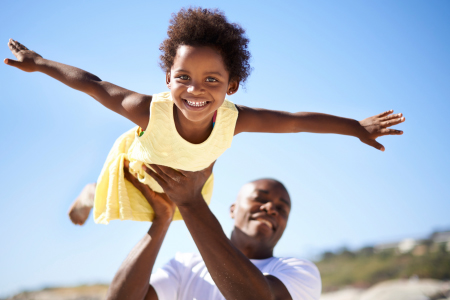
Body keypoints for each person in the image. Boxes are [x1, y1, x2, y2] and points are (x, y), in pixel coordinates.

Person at [4, 7, 405, 226]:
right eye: (184, 77)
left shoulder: (234, 118)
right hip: (136, 171)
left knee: (168, 213)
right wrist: (40, 63)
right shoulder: (148, 109)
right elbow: (93, 83)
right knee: (133, 203)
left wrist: (354, 127)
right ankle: (94, 192)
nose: (196, 89)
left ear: (231, 85)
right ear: (167, 77)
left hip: (188, 181)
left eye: (211, 79)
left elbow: (294, 120)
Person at [105, 160, 321, 300]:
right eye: (260, 199)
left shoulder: (298, 271)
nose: (271, 208)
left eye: (282, 208)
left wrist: (191, 202)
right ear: (233, 210)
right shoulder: (185, 266)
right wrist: (162, 220)